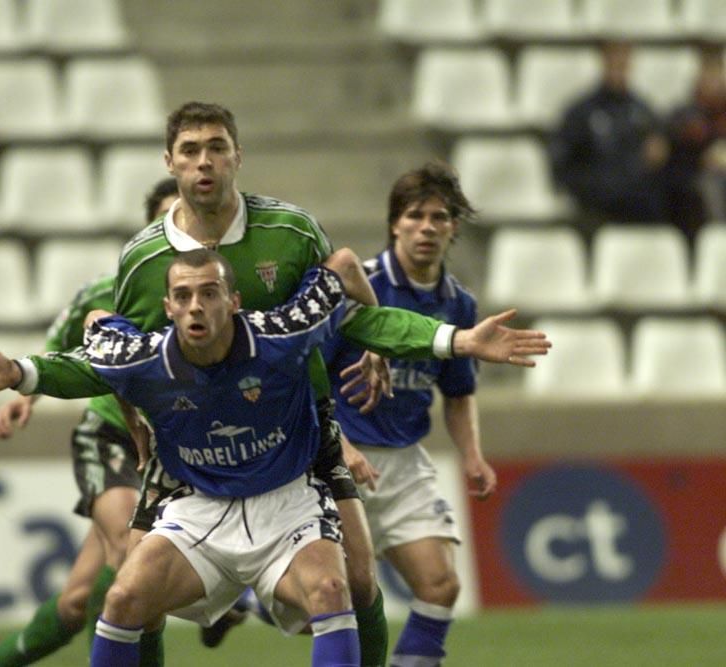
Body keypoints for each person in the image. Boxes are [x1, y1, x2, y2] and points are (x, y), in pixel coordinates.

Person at [95, 101, 548, 667]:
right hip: (192, 447)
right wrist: (134, 420)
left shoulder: (290, 232)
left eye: (217, 148)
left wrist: (449, 341)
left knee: (356, 585)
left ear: (239, 156)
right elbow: (121, 355)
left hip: (298, 434)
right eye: (190, 151)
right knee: (134, 596)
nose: (204, 162)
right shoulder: (143, 261)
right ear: (170, 161)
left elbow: (353, 314)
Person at [0, 248, 379, 666]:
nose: (196, 307)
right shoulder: (145, 358)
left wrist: (412, 344)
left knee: (333, 588)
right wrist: (16, 372)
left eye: (209, 293)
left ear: (234, 300)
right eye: (183, 296)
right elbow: (85, 360)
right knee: (122, 598)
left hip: (288, 501)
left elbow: (340, 266)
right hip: (200, 505)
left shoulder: (286, 332)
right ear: (168, 307)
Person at [0, 178, 179, 667]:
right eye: (165, 220)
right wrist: (28, 396)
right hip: (110, 434)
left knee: (75, 602)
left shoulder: (216, 293)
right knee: (131, 552)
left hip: (175, 446)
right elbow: (62, 342)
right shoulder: (111, 291)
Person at [324, 163, 493, 667]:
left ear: (453, 228)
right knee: (328, 595)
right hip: (337, 463)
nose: (427, 227)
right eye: (415, 215)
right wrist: (341, 446)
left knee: (441, 584)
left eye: (439, 217)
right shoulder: (358, 290)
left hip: (403, 465)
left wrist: (472, 456)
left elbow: (458, 392)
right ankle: (247, 600)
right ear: (395, 223)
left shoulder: (458, 305)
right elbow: (305, 376)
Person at [549, 41, 670, 224]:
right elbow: (565, 163)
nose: (618, 70)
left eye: (623, 64)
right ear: (603, 63)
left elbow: (656, 153)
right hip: (595, 202)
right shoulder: (582, 112)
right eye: (613, 63)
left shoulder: (642, 110)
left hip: (637, 202)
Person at [665, 47, 726, 242]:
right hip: (692, 186)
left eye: (717, 74)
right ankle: (718, 240)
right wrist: (704, 159)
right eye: (707, 73)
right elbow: (675, 155)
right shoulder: (684, 115)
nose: (713, 81)